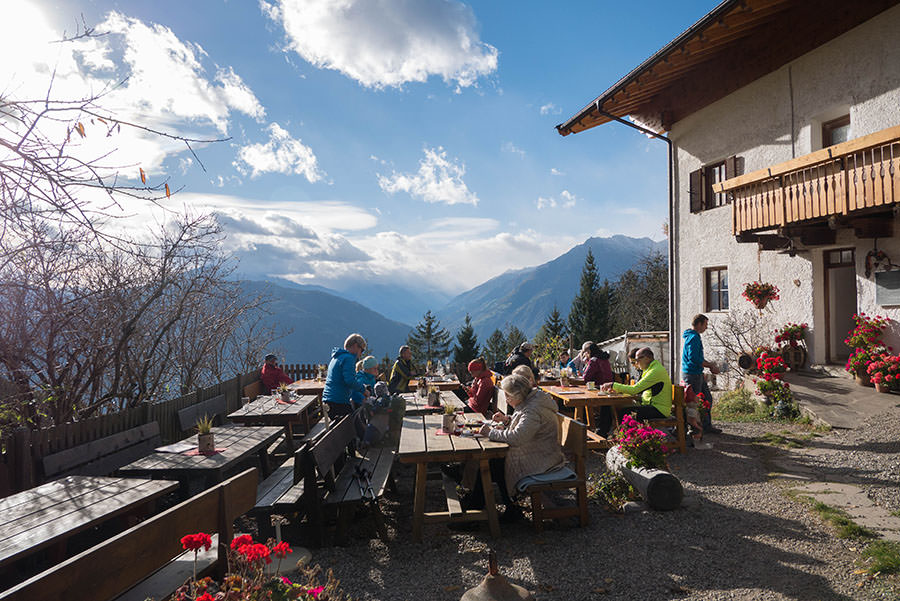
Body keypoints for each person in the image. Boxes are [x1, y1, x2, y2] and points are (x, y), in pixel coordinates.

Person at [468, 374, 566, 523]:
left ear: (516, 395)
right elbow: (525, 427)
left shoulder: (532, 409)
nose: (506, 399)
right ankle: (496, 507)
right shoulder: (532, 400)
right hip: (540, 451)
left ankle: (478, 510)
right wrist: (508, 420)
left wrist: (491, 432)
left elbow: (518, 437)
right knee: (493, 464)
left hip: (543, 458)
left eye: (507, 396)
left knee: (492, 465)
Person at [601, 347, 672, 424]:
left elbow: (634, 390)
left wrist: (612, 385)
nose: (636, 363)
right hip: (651, 405)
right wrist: (617, 389)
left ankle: (627, 435)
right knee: (616, 407)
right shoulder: (650, 369)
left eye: (637, 360)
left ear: (647, 358)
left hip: (659, 410)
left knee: (624, 413)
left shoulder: (655, 371)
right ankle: (619, 434)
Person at [682, 314, 721, 434]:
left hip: (696, 373)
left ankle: (705, 425)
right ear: (699, 324)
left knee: (706, 398)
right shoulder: (693, 338)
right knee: (694, 402)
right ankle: (694, 428)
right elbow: (694, 358)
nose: (706, 327)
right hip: (692, 374)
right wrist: (710, 366)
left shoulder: (693, 336)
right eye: (705, 324)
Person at [323, 333, 367, 417]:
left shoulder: (337, 357)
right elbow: (350, 380)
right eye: (362, 350)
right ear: (355, 346)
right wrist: (364, 390)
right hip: (338, 401)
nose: (361, 354)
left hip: (328, 400)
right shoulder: (348, 358)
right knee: (354, 424)